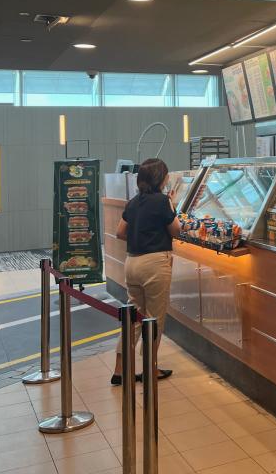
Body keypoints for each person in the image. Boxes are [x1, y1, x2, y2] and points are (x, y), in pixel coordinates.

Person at [110, 158, 180, 385]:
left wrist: (141, 233)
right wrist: (172, 206)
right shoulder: (163, 201)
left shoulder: (133, 202)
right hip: (155, 263)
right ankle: (150, 369)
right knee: (154, 319)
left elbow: (120, 232)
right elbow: (176, 231)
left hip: (132, 263)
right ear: (161, 178)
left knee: (133, 318)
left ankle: (120, 370)